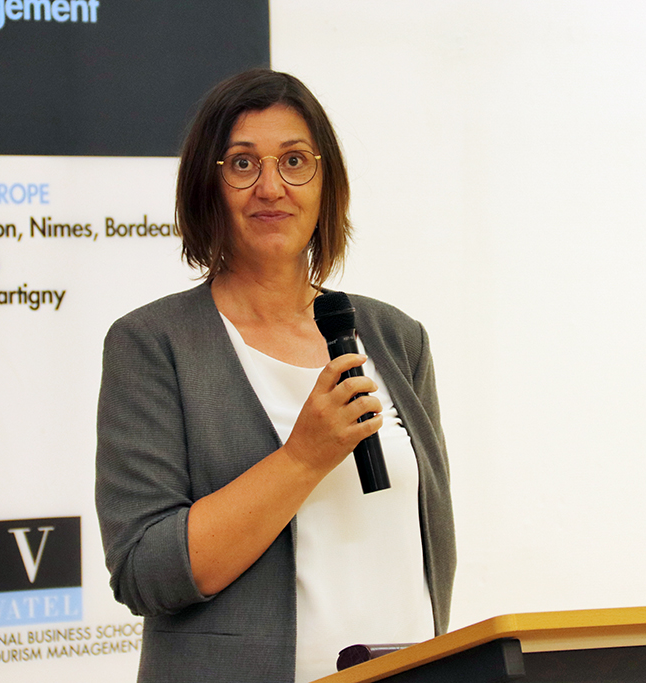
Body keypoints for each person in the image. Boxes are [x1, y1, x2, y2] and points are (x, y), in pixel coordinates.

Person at [95, 68, 455, 683]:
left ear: (325, 182)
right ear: (207, 185)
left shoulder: (395, 337)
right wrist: (302, 458)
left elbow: (427, 546)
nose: (271, 187)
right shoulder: (153, 344)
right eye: (242, 163)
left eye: (294, 161)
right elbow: (145, 572)